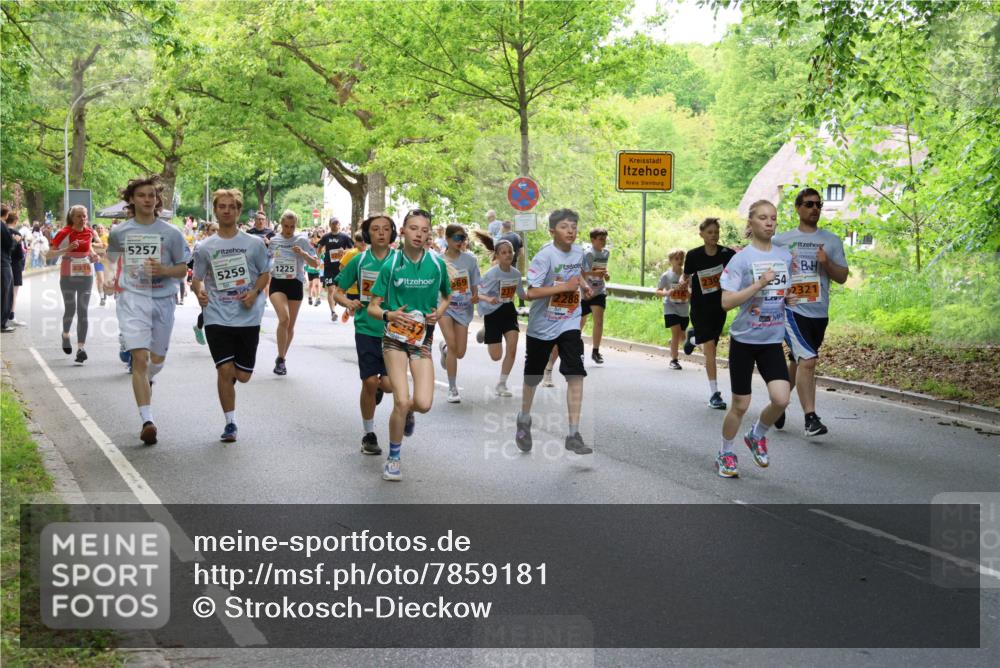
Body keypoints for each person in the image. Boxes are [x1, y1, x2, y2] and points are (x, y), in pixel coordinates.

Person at [367, 209, 452, 481]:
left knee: (424, 403)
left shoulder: (437, 265)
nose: (419, 234)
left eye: (425, 230)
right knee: (401, 400)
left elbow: (447, 297)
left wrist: (439, 312)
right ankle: (393, 458)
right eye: (413, 228)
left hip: (422, 340)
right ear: (402, 231)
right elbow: (372, 307)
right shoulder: (390, 266)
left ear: (430, 234)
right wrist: (389, 315)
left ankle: (408, 414)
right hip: (394, 339)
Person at [715, 200, 797, 478]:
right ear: (751, 223)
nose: (770, 222)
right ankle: (726, 452)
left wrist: (788, 297)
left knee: (782, 399)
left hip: (771, 340)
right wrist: (759, 284)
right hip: (745, 341)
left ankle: (757, 435)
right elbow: (726, 303)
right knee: (740, 404)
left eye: (773, 218)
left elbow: (782, 292)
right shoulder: (741, 259)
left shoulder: (785, 256)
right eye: (763, 218)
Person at [106, 176, 189, 445]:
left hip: (163, 299)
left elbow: (183, 268)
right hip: (133, 298)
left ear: (157, 200)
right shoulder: (120, 232)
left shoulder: (172, 233)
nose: (147, 200)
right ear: (131, 199)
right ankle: (147, 420)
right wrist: (108, 277)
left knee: (157, 361)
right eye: (141, 195)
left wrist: (164, 270)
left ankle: (149, 379)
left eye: (151, 195)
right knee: (138, 360)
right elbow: (111, 257)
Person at [191, 189, 270, 442]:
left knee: (243, 376)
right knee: (225, 370)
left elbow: (265, 273)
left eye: (231, 207)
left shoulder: (254, 244)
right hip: (216, 315)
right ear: (215, 210)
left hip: (247, 317)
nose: (226, 210)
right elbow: (197, 279)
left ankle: (231, 381)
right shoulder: (205, 247)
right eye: (222, 206)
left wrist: (255, 292)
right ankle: (230, 424)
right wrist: (200, 293)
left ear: (238, 211)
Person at [515, 208, 594, 455]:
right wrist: (564, 288)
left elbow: (577, 273)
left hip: (569, 321)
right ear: (552, 231)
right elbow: (531, 293)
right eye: (564, 226)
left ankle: (573, 433)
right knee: (533, 377)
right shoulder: (544, 257)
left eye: (573, 226)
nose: (570, 230)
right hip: (542, 326)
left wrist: (584, 284)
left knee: (575, 373)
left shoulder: (580, 251)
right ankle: (524, 418)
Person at [773, 188, 849, 436]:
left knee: (799, 362)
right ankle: (811, 418)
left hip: (819, 312)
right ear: (798, 208)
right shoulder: (781, 241)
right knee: (809, 361)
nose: (815, 208)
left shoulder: (832, 240)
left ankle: (778, 403)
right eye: (809, 204)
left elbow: (842, 278)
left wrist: (826, 263)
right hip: (792, 311)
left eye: (818, 204)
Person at [335, 213, 396, 455]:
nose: (381, 232)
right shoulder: (359, 262)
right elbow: (338, 292)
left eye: (385, 228)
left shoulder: (402, 261)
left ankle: (400, 402)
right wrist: (347, 303)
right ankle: (368, 434)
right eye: (375, 229)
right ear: (368, 234)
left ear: (392, 233)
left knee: (391, 384)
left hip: (395, 331)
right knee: (369, 381)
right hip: (366, 328)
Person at [683, 217, 737, 410]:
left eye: (716, 232)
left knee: (711, 344)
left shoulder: (727, 254)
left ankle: (692, 339)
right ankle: (714, 393)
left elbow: (737, 273)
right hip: (699, 307)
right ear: (702, 235)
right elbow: (686, 276)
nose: (714, 235)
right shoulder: (693, 255)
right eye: (710, 232)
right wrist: (683, 286)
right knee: (711, 350)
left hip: (719, 307)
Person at [48, 206, 103, 362]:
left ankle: (81, 348)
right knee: (71, 309)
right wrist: (66, 249)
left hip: (86, 275)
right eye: (79, 216)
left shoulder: (89, 232)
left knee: (83, 310)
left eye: (84, 216)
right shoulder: (64, 233)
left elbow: (90, 249)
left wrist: (94, 257)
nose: (83, 219)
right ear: (72, 218)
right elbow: (49, 254)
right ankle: (65, 335)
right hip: (68, 276)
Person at [268, 210, 319, 375]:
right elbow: (267, 260)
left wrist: (303, 254)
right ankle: (281, 359)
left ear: (296, 225)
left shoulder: (301, 240)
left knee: (290, 326)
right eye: (285, 226)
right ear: (281, 224)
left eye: (292, 226)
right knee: (284, 318)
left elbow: (316, 263)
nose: (288, 229)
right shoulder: (274, 240)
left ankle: (281, 358)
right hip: (277, 283)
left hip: (295, 283)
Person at [474, 234, 525, 396]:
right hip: (492, 314)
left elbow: (522, 295)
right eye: (503, 252)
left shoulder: (516, 274)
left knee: (512, 348)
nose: (508, 254)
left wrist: (542, 295)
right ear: (497, 256)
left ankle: (501, 384)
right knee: (496, 356)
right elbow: (476, 294)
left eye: (510, 252)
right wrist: (489, 298)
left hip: (508, 311)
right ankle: (485, 330)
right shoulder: (491, 274)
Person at [437, 224, 481, 403]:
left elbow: (475, 282)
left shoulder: (470, 260)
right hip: (445, 307)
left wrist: (476, 296)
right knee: (454, 345)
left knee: (460, 351)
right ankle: (452, 388)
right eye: (457, 238)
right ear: (447, 239)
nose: (461, 241)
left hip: (463, 308)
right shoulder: (438, 261)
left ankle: (445, 350)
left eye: (463, 238)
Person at [656, 249, 689, 370]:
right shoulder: (667, 275)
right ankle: (674, 360)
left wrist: (687, 292)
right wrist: (667, 292)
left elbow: (692, 292)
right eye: (677, 259)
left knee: (682, 337)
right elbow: (658, 291)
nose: (680, 261)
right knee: (675, 332)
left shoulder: (687, 275)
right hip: (670, 307)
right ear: (670, 261)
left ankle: (672, 343)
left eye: (682, 259)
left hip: (684, 308)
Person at [581, 228, 610, 364]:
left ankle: (595, 351)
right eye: (600, 239)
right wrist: (594, 274)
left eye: (604, 239)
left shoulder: (606, 253)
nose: (603, 242)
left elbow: (604, 268)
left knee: (599, 321)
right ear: (593, 240)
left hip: (599, 291)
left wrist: (605, 274)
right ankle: (576, 349)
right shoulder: (587, 254)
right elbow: (581, 273)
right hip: (585, 291)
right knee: (581, 322)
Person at [317, 217, 353, 322]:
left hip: (341, 267)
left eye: (337, 224)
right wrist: (318, 258)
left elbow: (352, 249)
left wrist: (345, 251)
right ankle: (333, 312)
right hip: (328, 266)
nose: (335, 225)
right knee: (331, 289)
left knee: (340, 290)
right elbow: (319, 247)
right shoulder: (326, 237)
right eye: (333, 224)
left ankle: (339, 304)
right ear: (330, 225)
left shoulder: (345, 237)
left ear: (339, 225)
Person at [190, 221, 218, 345]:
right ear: (207, 232)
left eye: (218, 230)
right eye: (213, 230)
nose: (216, 233)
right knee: (208, 310)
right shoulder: (200, 246)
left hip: (220, 286)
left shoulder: (226, 246)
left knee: (217, 311)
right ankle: (200, 328)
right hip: (203, 284)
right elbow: (196, 270)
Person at [4, 212, 27, 327]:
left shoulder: (3, 231)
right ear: (15, 221)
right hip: (14, 265)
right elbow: (19, 254)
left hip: (3, 264)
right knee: (13, 293)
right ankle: (11, 316)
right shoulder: (16, 234)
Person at [1, 204, 14, 333]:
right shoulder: (2, 226)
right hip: (3, 262)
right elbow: (9, 244)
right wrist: (15, 240)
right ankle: (2, 323)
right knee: (6, 293)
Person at [306, 231, 323, 306]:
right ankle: (310, 296)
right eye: (314, 237)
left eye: (317, 238)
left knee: (316, 284)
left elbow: (323, 258)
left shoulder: (320, 250)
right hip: (310, 269)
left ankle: (318, 298)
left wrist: (321, 264)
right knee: (310, 284)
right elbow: (306, 258)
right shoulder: (309, 248)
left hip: (317, 270)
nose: (315, 239)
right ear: (312, 239)